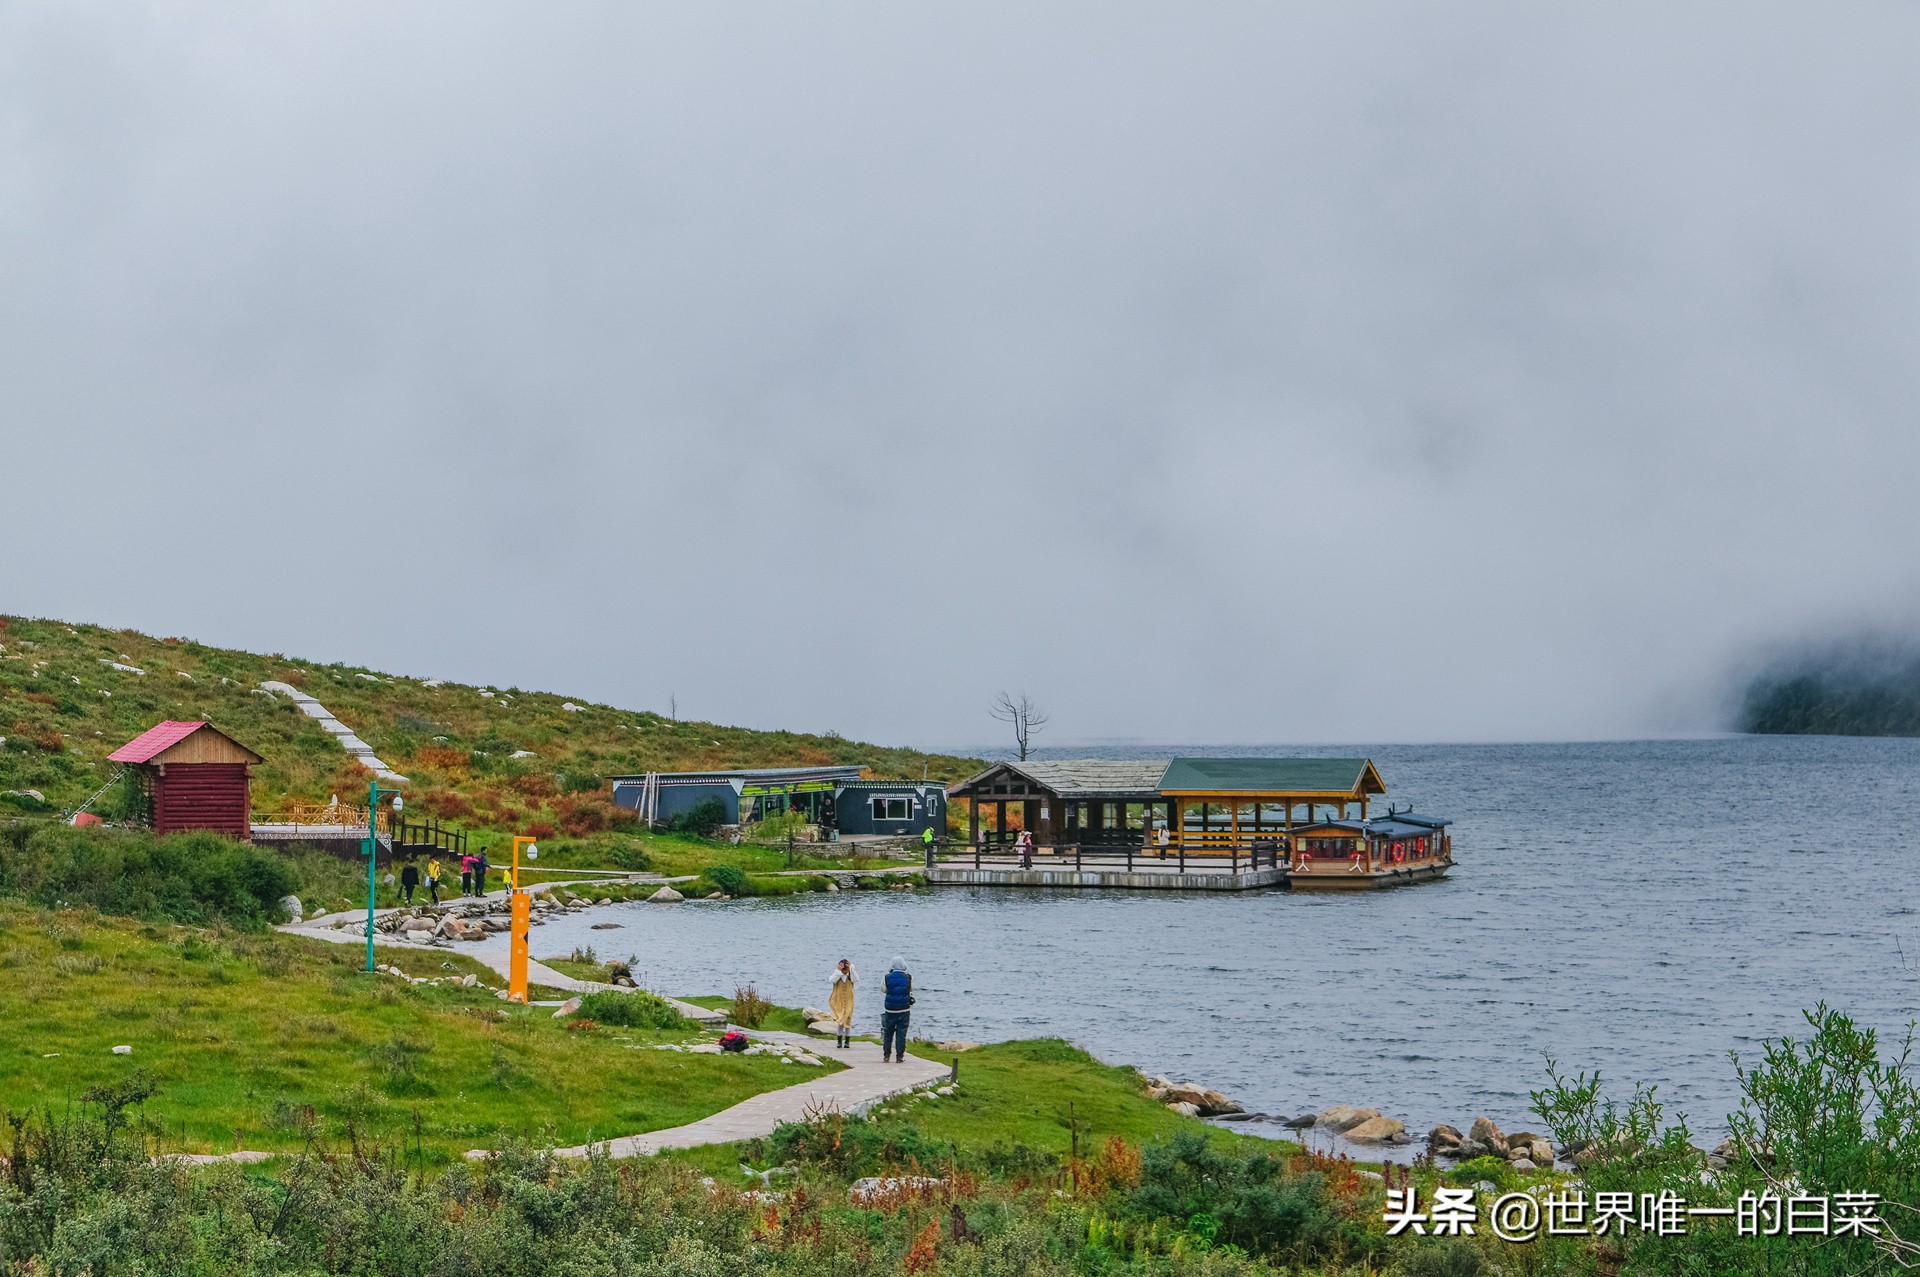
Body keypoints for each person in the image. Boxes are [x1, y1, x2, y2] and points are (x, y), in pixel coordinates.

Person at [881, 956, 914, 1063]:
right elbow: (912, 988)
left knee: (888, 1033)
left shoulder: (887, 977)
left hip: (890, 1009)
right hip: (904, 1009)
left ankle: (886, 1055)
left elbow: (883, 989)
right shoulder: (908, 977)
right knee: (901, 1033)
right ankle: (899, 1056)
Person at [829, 958, 856, 1049]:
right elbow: (832, 980)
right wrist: (839, 971)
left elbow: (856, 979)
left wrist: (851, 968)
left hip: (849, 1001)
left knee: (848, 1019)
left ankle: (847, 1041)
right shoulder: (837, 975)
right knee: (840, 1019)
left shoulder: (851, 975)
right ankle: (839, 1041)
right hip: (839, 1001)